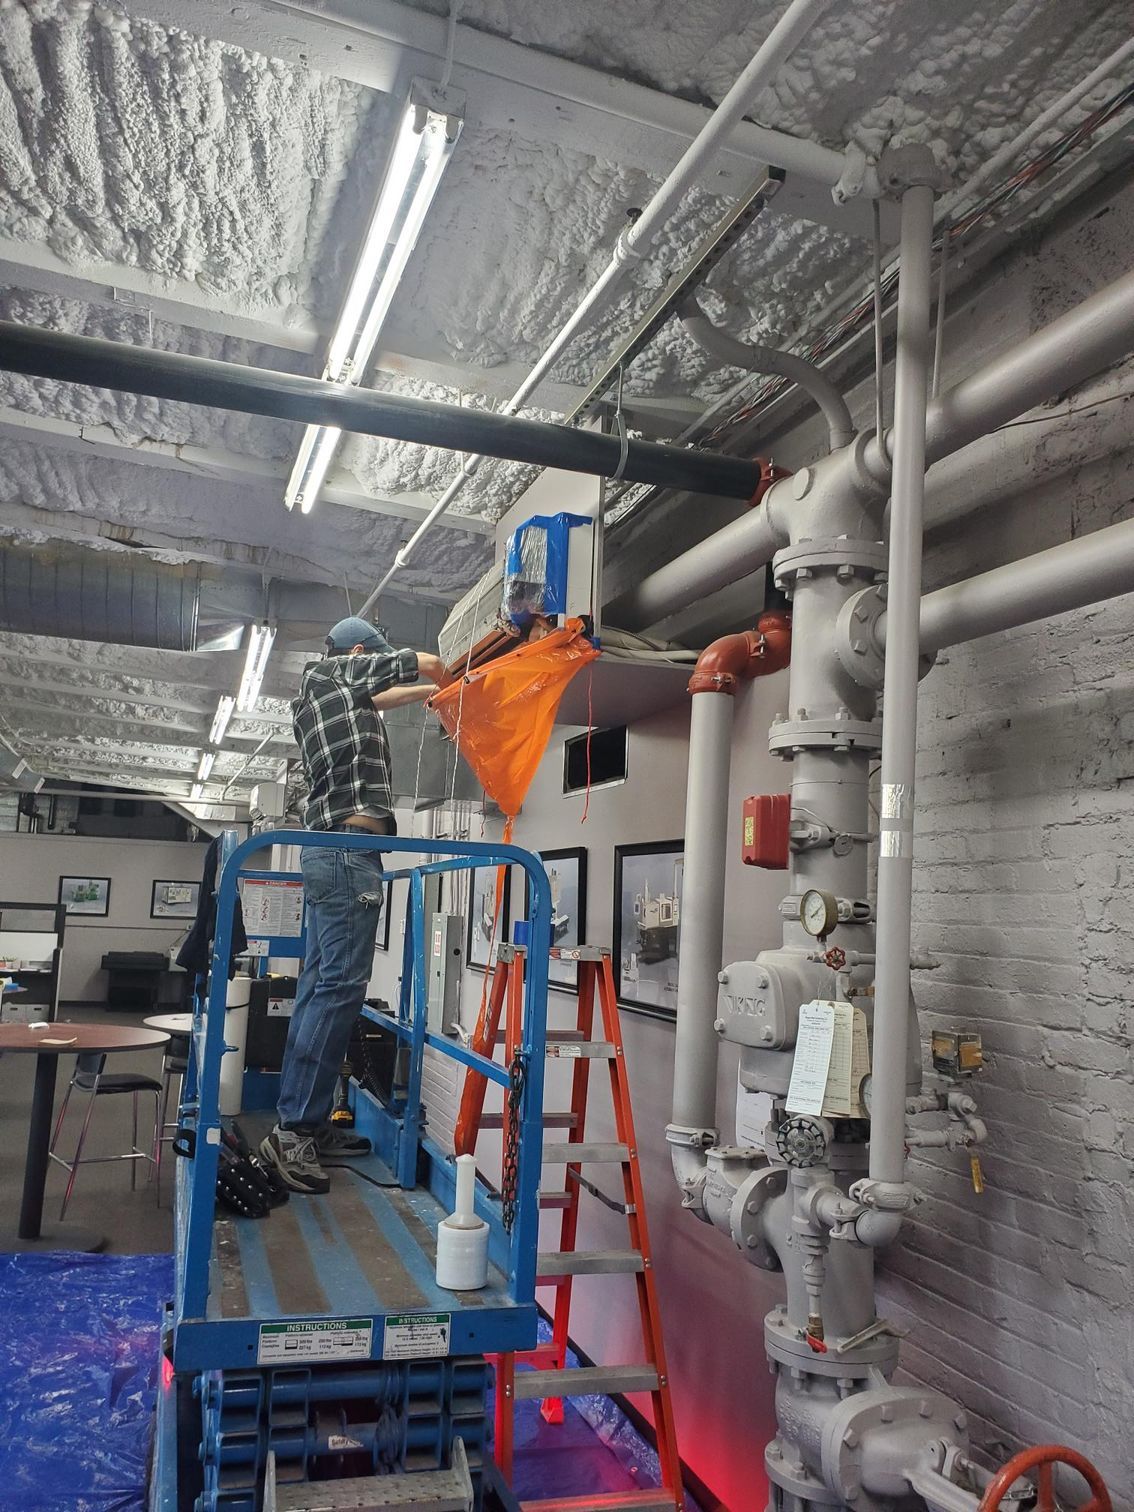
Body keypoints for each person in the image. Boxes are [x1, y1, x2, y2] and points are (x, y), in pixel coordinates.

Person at [260, 616, 444, 1194]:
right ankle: (293, 1132)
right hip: (345, 853)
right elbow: (424, 663)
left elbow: (391, 693)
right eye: (373, 658)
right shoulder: (329, 674)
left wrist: (434, 695)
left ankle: (305, 1125)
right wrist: (456, 670)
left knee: (322, 989)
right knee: (338, 989)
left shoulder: (333, 695)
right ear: (359, 653)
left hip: (343, 855)